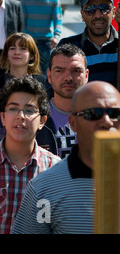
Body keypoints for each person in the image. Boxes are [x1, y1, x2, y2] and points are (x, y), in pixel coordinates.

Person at [12, 81, 120, 234]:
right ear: (73, 123)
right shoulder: (43, 189)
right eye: (93, 113)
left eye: (115, 113)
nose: (107, 122)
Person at [0, 76, 61, 234]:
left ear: (42, 121)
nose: (20, 116)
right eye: (13, 108)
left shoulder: (56, 170)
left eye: (29, 110)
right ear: (2, 117)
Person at [58, 0, 118, 88]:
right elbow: (54, 88)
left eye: (104, 8)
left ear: (113, 12)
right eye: (90, 9)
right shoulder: (66, 47)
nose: (98, 15)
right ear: (82, 15)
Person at [39, 44, 89, 158]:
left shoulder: (103, 117)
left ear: (86, 75)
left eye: (76, 70)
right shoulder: (35, 117)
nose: (68, 78)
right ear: (49, 76)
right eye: (59, 71)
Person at [21, 0, 63, 76]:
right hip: (29, 40)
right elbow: (22, 21)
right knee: (27, 70)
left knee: (44, 72)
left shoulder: (54, 0)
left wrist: (56, 36)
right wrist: (23, 38)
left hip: (46, 41)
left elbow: (58, 20)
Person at [0, 32, 46, 101]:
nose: (17, 52)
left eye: (23, 48)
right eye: (12, 48)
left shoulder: (43, 82)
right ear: (7, 54)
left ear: (32, 55)